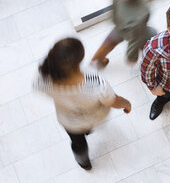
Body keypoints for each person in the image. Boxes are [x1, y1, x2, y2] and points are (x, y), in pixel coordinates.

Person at [34, 38, 131, 170]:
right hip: (93, 117)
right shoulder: (96, 83)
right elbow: (113, 101)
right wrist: (126, 104)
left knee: (77, 143)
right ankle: (87, 131)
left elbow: (39, 88)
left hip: (68, 121)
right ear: (77, 63)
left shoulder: (43, 80)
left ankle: (83, 161)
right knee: (87, 128)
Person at [91, 0, 157, 68]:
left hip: (119, 23)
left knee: (109, 42)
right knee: (152, 38)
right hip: (134, 31)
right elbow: (135, 39)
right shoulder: (142, 12)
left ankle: (96, 61)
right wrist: (132, 57)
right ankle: (153, 64)